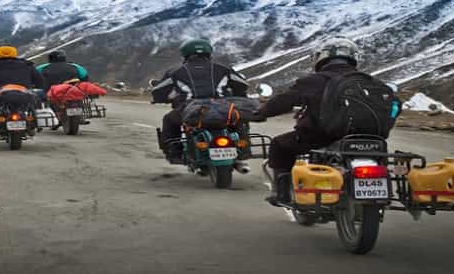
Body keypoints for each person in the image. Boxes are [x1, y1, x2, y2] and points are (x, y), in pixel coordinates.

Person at [258, 37, 363, 205]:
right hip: (366, 137)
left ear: (322, 58)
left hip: (321, 136)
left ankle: (281, 194)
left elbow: (284, 101)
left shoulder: (313, 81)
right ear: (353, 58)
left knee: (279, 145)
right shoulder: (367, 81)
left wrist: (261, 113)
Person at [150, 39, 250, 163]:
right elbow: (242, 85)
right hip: (222, 109)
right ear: (209, 53)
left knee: (169, 120)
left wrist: (160, 99)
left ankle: (175, 153)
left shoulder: (175, 72)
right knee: (238, 118)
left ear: (185, 54)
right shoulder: (224, 69)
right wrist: (239, 95)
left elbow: (158, 91)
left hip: (191, 111)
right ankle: (245, 149)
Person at [0, 46, 44, 127]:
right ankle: (37, 121)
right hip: (23, 92)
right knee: (35, 102)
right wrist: (38, 86)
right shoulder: (27, 65)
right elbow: (39, 79)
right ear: (15, 53)